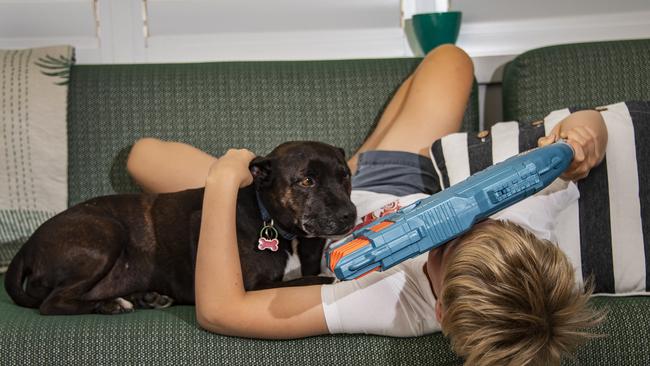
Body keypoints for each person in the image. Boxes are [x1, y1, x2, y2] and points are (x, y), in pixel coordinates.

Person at [126, 45, 607, 365]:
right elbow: (593, 120)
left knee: (145, 158)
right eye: (466, 225)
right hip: (404, 178)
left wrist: (222, 183)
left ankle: (342, 169)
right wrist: (585, 138)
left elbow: (221, 311)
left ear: (438, 312)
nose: (444, 233)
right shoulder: (527, 221)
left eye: (440, 251)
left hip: (324, 213)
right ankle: (348, 164)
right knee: (451, 59)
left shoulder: (396, 305)